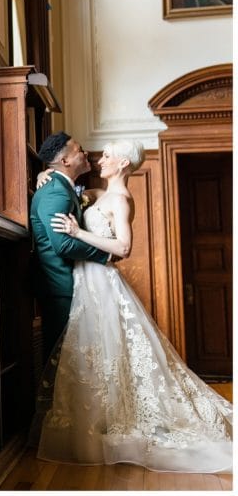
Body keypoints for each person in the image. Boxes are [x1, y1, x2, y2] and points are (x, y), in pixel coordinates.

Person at [34, 139, 232, 472]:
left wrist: (78, 234)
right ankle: (100, 421)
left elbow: (123, 247)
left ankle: (123, 422)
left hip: (101, 280)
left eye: (108, 155)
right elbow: (76, 192)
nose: (100, 159)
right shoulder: (96, 194)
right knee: (100, 353)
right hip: (87, 281)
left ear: (124, 162)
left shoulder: (122, 199)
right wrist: (45, 173)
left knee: (112, 351)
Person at [29, 131, 113, 364]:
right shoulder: (56, 191)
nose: (86, 153)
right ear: (64, 161)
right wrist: (106, 255)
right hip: (60, 287)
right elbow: (63, 244)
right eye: (79, 150)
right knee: (63, 360)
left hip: (71, 284)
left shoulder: (63, 187)